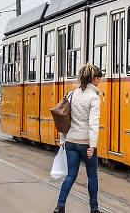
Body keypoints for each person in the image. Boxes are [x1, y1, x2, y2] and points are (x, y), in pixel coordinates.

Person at [54, 63, 102, 213]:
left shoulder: (72, 94)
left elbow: (64, 118)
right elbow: (93, 124)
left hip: (71, 142)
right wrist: (92, 146)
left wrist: (63, 139)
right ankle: (94, 209)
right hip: (86, 143)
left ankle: (60, 206)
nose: (100, 81)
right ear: (94, 79)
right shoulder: (93, 97)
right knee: (92, 175)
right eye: (99, 78)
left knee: (71, 175)